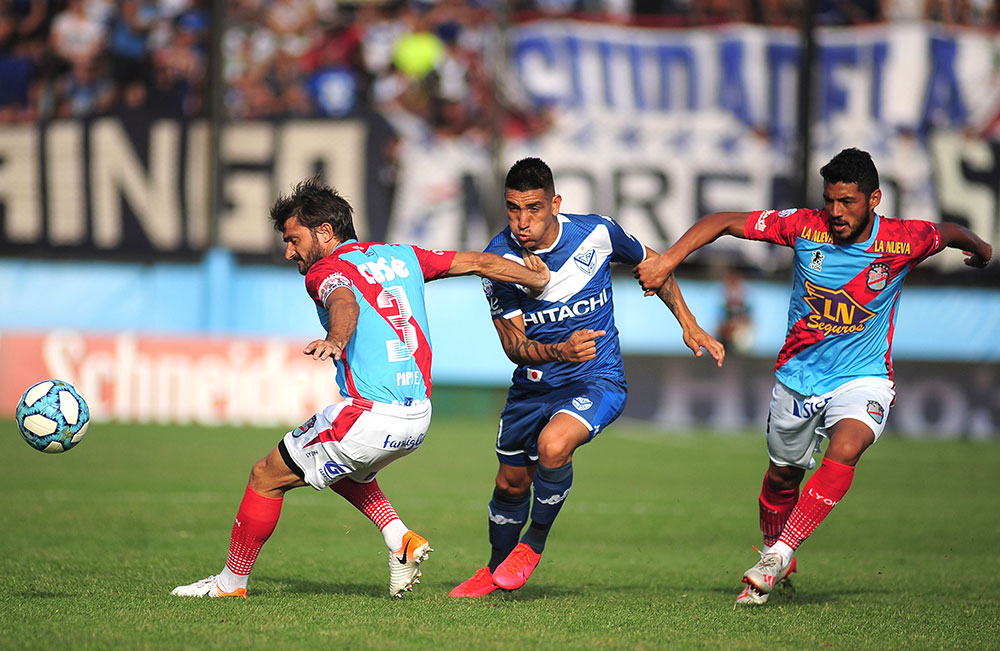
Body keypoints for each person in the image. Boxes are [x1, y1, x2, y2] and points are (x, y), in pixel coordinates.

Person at [634, 147, 994, 605]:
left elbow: (948, 233)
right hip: (798, 379)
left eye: (848, 202)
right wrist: (668, 260)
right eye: (831, 200)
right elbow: (723, 220)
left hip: (863, 378)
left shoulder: (903, 239)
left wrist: (981, 249)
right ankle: (771, 544)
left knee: (847, 445)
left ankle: (778, 555)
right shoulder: (805, 226)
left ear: (875, 199)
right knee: (782, 478)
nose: (837, 212)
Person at [172, 177, 550, 599]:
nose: (289, 251)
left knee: (264, 477)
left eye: (294, 239)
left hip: (370, 416)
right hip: (418, 417)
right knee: (339, 468)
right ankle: (399, 539)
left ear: (326, 232)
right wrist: (534, 281)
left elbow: (344, 301)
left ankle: (229, 585)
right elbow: (480, 262)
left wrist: (336, 339)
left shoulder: (324, 271)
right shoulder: (404, 256)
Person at [449, 157, 725, 598]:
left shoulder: (597, 233)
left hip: (597, 379)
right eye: (513, 209)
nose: (522, 221)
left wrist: (688, 324)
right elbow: (512, 345)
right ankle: (495, 568)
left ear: (555, 203)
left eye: (534, 208)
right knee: (510, 482)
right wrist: (559, 349)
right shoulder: (498, 260)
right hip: (533, 387)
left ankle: (533, 545)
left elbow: (652, 265)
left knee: (553, 446)